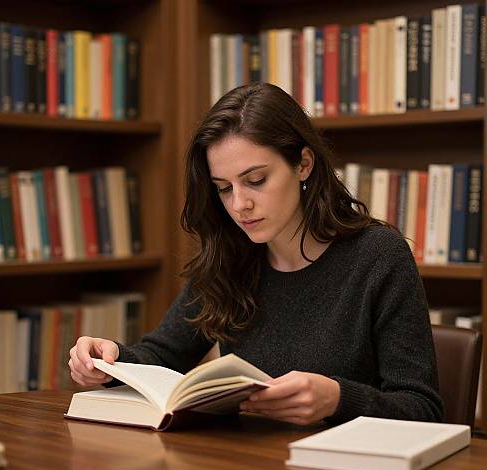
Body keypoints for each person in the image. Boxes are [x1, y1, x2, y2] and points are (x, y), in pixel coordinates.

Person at [68, 82, 443, 426]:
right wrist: (109, 359)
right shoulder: (229, 255)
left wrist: (339, 399)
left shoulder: (377, 257)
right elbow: (163, 355)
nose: (240, 204)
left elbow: (423, 410)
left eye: (256, 180)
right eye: (223, 188)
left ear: (303, 164)